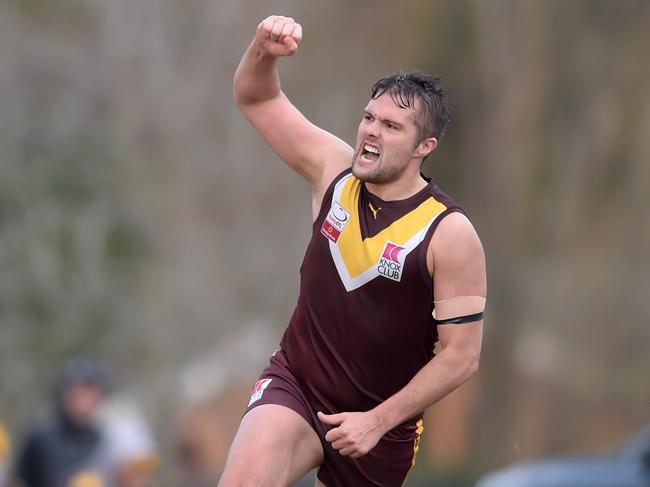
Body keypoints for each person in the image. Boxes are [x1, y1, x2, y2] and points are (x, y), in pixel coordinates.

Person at [220, 15, 486, 487]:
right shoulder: (333, 171)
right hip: (297, 386)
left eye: (391, 126)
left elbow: (461, 357)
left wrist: (377, 421)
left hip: (382, 427)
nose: (371, 132)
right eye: (368, 118)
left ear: (425, 145)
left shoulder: (449, 233)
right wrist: (262, 47)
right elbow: (257, 97)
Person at [13, 358, 111, 487]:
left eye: (90, 390)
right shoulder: (41, 436)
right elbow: (18, 480)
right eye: (80, 390)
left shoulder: (102, 439)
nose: (85, 398)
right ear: (66, 393)